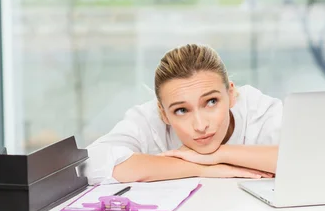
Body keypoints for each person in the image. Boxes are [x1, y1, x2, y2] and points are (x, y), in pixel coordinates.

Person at [85, 43, 283, 185]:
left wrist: (219, 155)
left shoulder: (257, 109)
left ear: (231, 94)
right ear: (163, 113)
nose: (200, 125)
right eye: (181, 110)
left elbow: (309, 157)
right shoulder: (148, 119)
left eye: (211, 102)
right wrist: (200, 168)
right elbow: (90, 164)